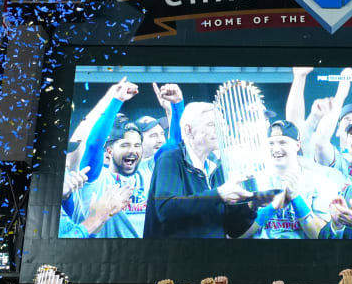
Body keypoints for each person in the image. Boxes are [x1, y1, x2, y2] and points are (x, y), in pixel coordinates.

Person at [142, 102, 258, 238]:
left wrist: (252, 205)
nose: (221, 130)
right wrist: (218, 195)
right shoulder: (170, 160)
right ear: (188, 130)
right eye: (212, 124)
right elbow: (166, 210)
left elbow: (234, 230)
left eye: (222, 124)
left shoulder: (217, 166)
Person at [69, 124, 150, 237]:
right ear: (109, 151)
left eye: (137, 145)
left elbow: (173, 146)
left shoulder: (147, 171)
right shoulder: (97, 177)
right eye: (125, 145)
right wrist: (111, 110)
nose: (132, 150)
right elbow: (94, 146)